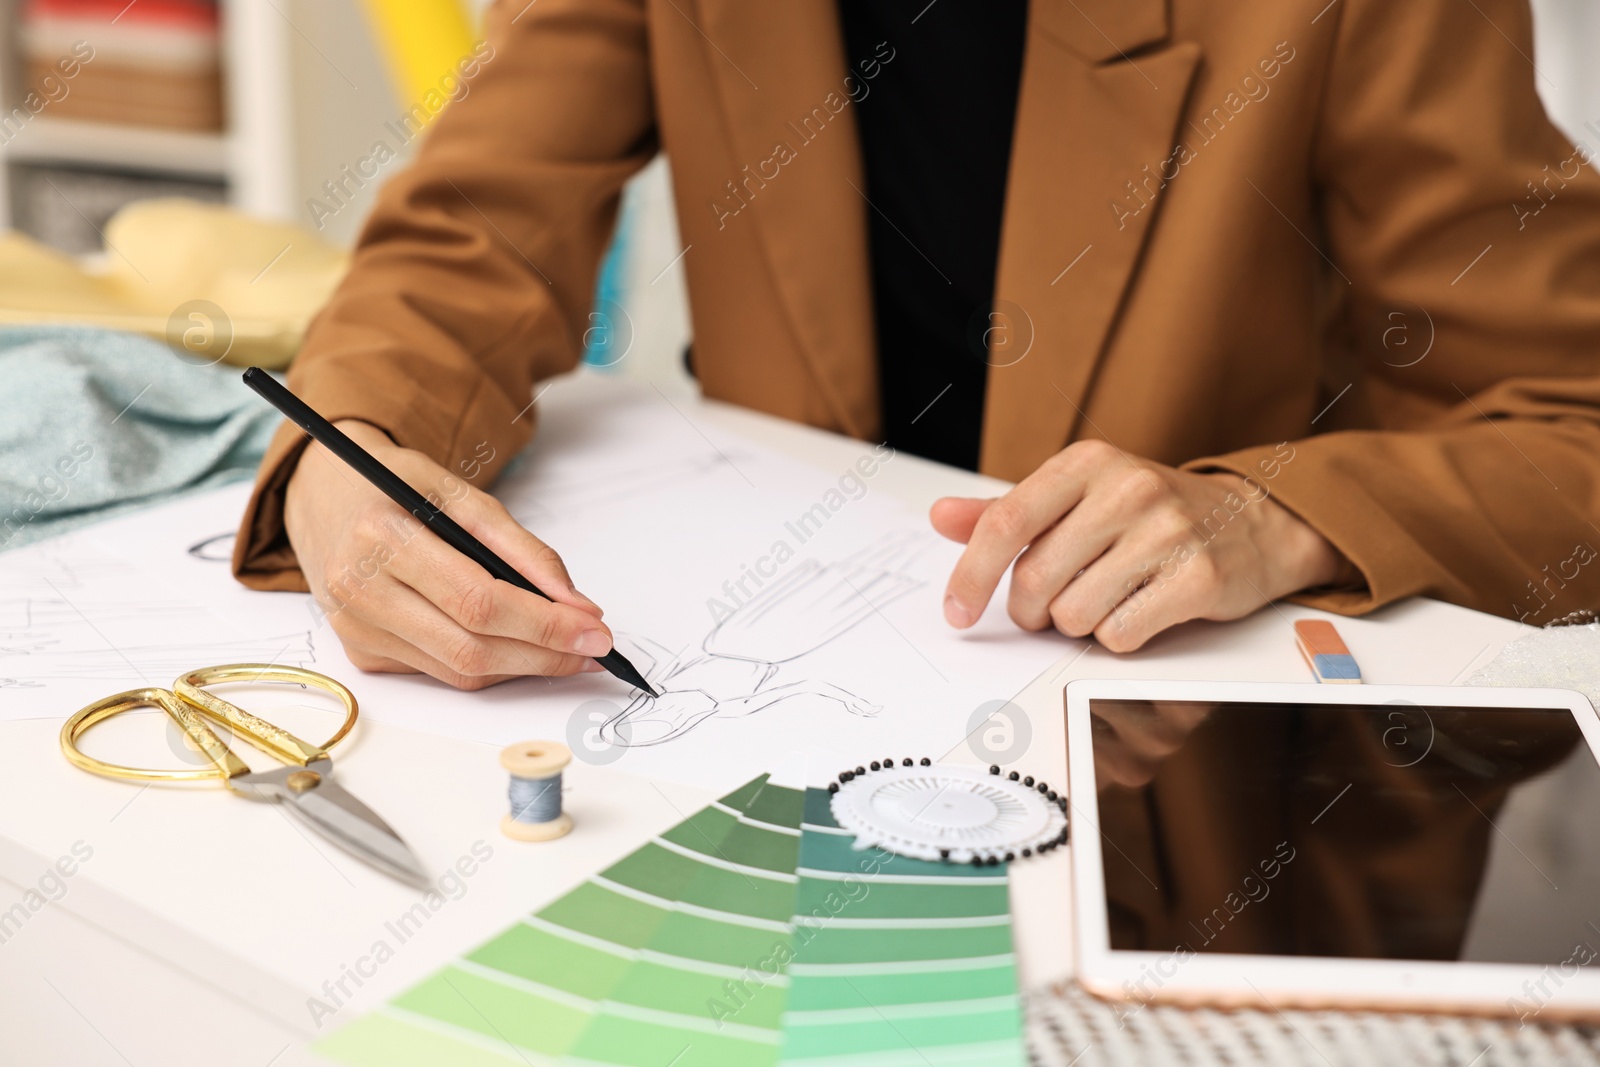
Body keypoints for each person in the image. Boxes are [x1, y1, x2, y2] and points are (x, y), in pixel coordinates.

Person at [233, 0, 1600, 691]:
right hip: (791, 694)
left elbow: (1574, 420)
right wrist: (351, 452)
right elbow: (470, 239)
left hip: (1182, 759)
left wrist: (1272, 515)